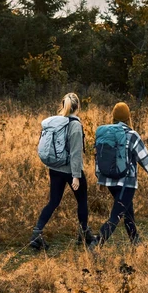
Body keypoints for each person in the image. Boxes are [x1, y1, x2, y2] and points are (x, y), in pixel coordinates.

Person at [90, 102, 148, 249]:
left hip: (110, 181)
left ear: (113, 117)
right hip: (127, 182)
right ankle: (96, 243)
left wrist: (101, 180)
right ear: (128, 117)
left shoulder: (105, 134)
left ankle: (135, 240)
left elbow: (98, 157)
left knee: (127, 210)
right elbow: (143, 157)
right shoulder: (132, 135)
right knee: (116, 215)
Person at [30, 93, 96, 250]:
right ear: (78, 107)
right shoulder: (74, 125)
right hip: (69, 170)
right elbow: (75, 153)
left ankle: (36, 234)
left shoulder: (57, 122)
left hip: (54, 168)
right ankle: (84, 233)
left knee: (53, 201)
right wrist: (76, 176)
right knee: (82, 201)